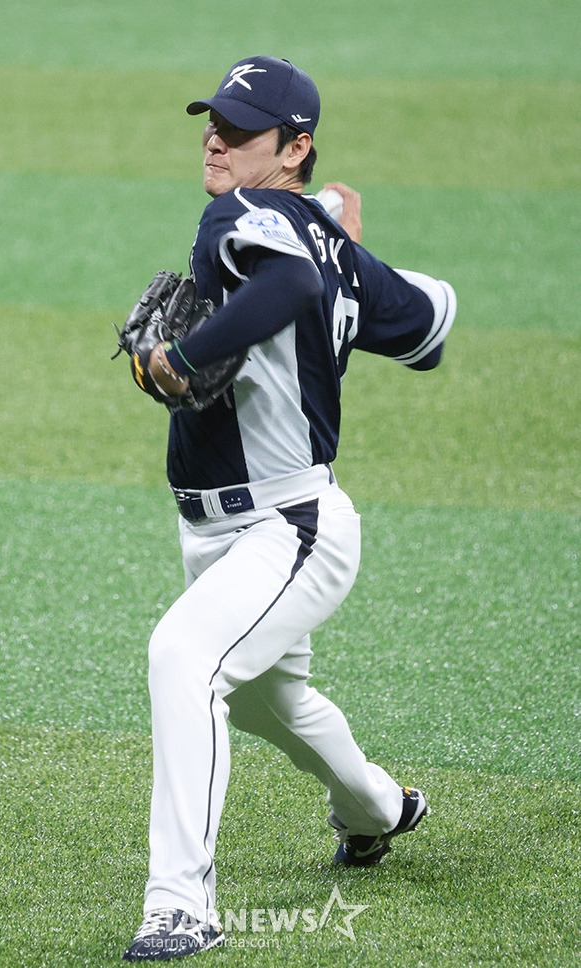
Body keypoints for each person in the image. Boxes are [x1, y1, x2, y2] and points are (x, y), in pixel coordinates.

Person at [121, 56, 456, 962]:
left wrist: (187, 357)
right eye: (213, 121)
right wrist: (340, 238)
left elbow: (291, 288)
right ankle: (377, 810)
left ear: (295, 146)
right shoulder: (313, 235)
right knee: (275, 701)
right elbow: (426, 328)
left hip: (289, 528)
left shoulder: (236, 216)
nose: (215, 138)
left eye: (240, 129)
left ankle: (179, 904)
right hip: (224, 532)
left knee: (183, 657)